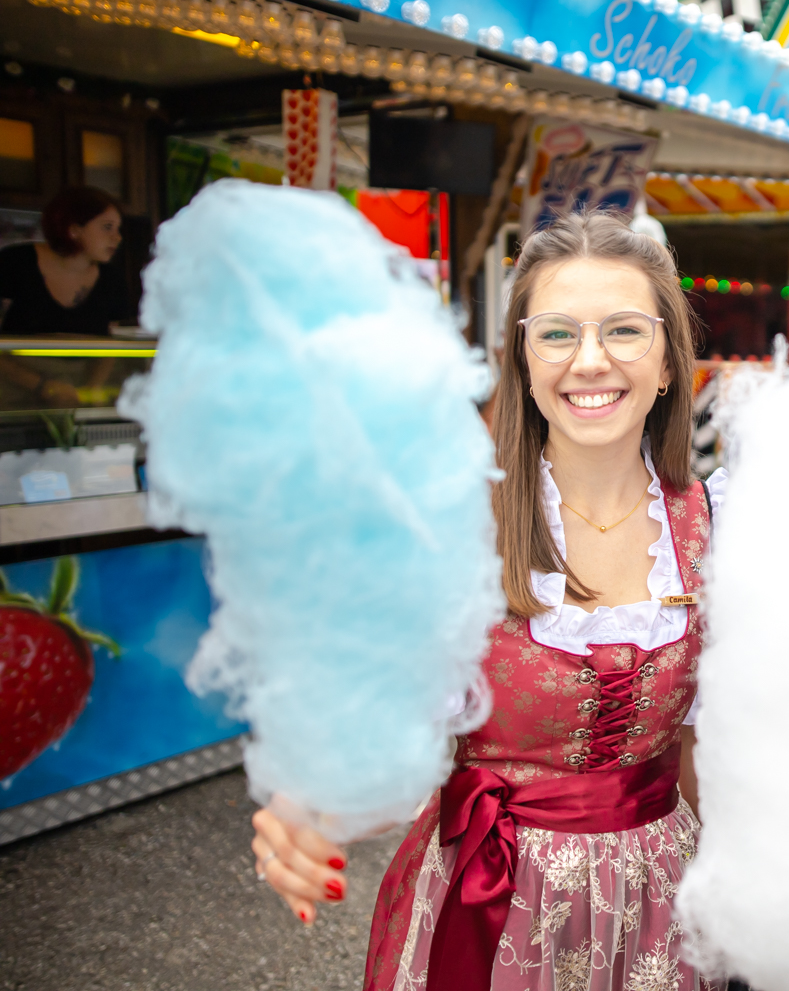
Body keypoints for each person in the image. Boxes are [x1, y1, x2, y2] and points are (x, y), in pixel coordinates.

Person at [251, 213, 722, 990]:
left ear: (669, 362)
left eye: (625, 331)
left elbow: (707, 748)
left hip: (659, 915)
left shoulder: (718, 524)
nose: (590, 360)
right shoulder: (451, 524)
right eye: (558, 333)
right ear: (524, 362)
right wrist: (308, 807)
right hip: (487, 903)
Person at [0, 186, 132, 336]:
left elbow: (113, 346)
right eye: (107, 227)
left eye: (117, 228)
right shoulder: (15, 262)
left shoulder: (113, 280)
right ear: (74, 229)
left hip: (88, 361)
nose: (117, 237)